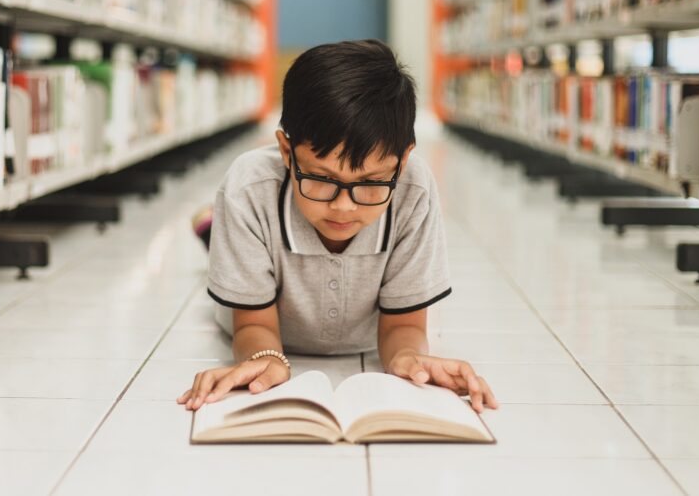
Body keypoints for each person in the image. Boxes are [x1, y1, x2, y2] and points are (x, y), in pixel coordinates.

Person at [178, 40, 498, 413]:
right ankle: (213, 230)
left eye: (372, 182)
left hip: (367, 334)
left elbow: (402, 328)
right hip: (261, 317)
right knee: (227, 241)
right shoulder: (247, 188)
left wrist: (410, 358)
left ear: (403, 160)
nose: (343, 206)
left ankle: (214, 229)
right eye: (320, 179)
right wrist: (264, 358)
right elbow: (252, 324)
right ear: (286, 151)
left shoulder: (415, 188)